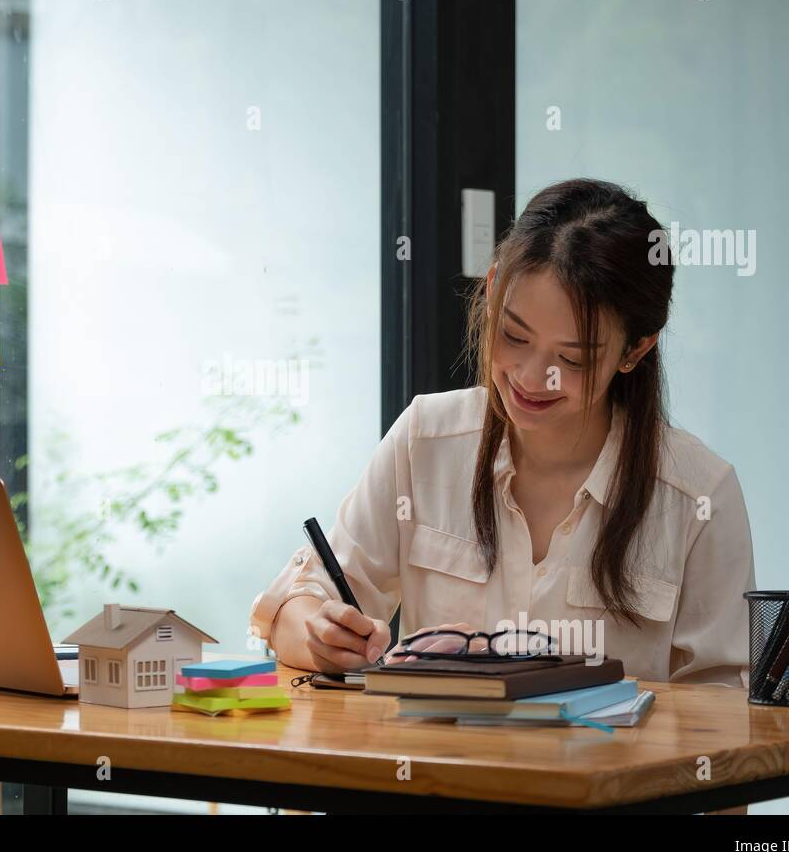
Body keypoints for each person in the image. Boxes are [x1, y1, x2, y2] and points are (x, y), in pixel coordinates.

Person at [250, 178, 753, 691]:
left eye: (572, 359)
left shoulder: (698, 496)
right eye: (514, 336)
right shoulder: (425, 440)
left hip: (603, 771)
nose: (532, 378)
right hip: (438, 770)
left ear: (636, 351)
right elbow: (296, 606)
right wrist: (317, 632)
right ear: (492, 290)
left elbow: (724, 712)